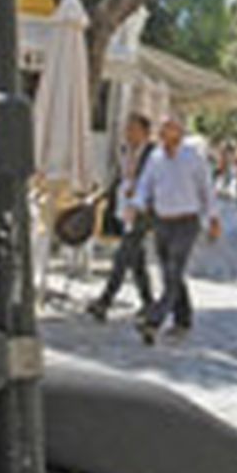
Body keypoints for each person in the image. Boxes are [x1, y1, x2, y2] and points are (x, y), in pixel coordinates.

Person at [129, 114, 220, 344]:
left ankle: (153, 321)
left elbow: (206, 189)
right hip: (162, 221)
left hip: (187, 222)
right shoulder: (156, 158)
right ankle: (183, 318)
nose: (162, 132)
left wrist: (213, 219)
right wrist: (136, 205)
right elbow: (145, 185)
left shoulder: (194, 158)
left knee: (173, 270)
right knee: (171, 274)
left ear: (179, 132)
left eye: (167, 128)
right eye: (161, 128)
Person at [87, 114, 155, 321]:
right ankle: (149, 303)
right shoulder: (125, 151)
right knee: (136, 260)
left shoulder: (153, 154)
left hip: (142, 212)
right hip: (125, 210)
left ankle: (104, 301)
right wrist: (99, 195)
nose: (128, 133)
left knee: (123, 256)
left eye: (133, 129)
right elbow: (119, 177)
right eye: (127, 129)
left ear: (144, 132)